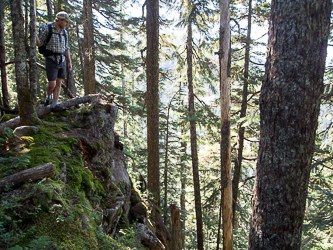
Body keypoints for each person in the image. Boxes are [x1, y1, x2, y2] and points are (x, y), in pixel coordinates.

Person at [36, 11, 72, 111]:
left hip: (62, 59)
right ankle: (48, 97)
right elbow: (40, 44)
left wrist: (69, 62)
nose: (67, 24)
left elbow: (67, 48)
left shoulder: (64, 32)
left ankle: (54, 105)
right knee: (52, 84)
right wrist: (34, 35)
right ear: (60, 20)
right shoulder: (48, 29)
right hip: (51, 59)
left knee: (59, 83)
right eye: (66, 21)